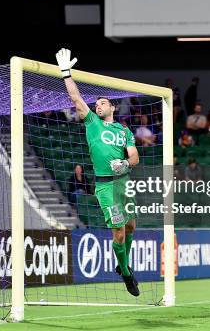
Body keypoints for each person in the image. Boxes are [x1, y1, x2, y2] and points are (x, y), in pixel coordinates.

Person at [56, 48, 140, 296]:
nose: (98, 105)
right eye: (97, 103)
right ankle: (126, 274)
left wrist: (125, 164)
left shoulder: (123, 130)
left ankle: (122, 264)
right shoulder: (91, 121)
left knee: (132, 226)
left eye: (102, 102)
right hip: (105, 187)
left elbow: (134, 156)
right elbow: (75, 98)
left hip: (124, 183)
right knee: (119, 231)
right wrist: (65, 73)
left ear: (112, 106)